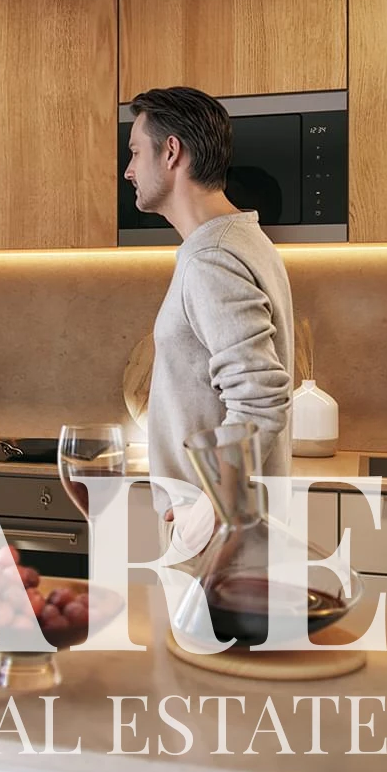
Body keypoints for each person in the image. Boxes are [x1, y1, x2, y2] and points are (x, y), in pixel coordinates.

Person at [123, 87, 294, 554]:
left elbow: (260, 401)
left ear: (171, 152)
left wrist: (200, 521)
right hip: (234, 534)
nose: (129, 170)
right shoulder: (242, 239)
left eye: (135, 152)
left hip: (221, 541)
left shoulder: (212, 258)